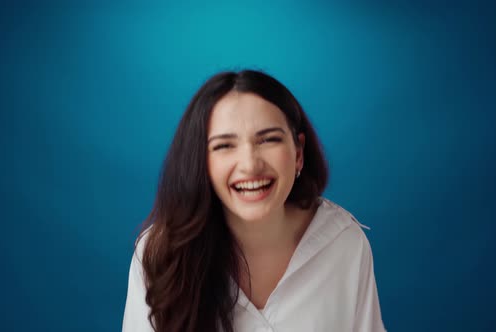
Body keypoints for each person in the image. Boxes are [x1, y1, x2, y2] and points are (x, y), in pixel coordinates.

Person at [122, 69, 386, 332]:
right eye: (224, 146)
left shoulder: (344, 242)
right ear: (202, 162)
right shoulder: (158, 255)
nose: (250, 165)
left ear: (298, 153)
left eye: (269, 139)